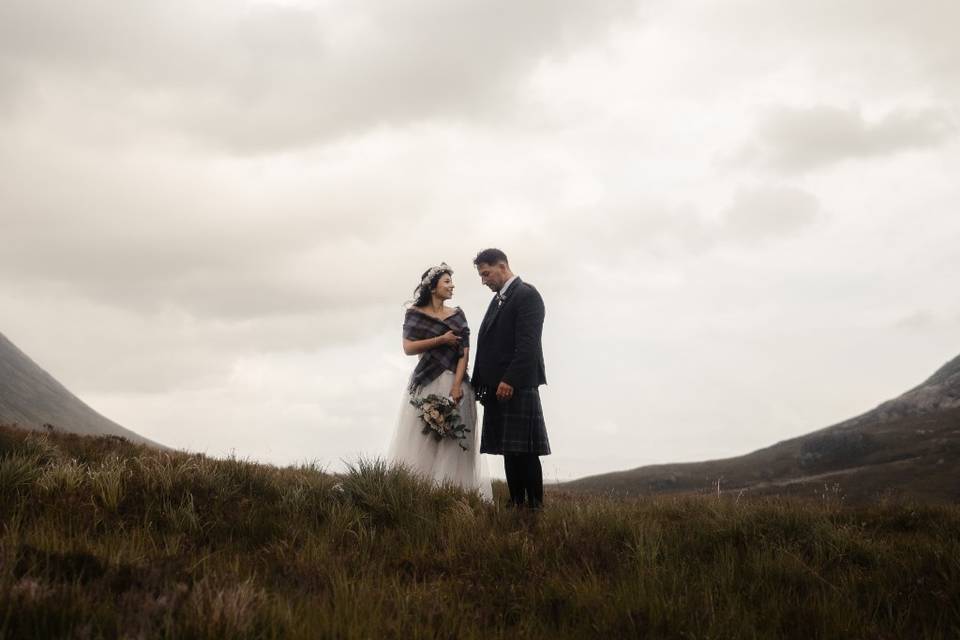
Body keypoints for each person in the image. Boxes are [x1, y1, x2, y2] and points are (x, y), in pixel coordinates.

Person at [387, 262, 492, 501]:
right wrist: (441, 340)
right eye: (447, 281)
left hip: (457, 385)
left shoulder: (458, 315)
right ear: (433, 288)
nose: (452, 286)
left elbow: (465, 351)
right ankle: (417, 496)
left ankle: (455, 497)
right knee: (423, 440)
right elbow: (408, 348)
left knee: (455, 443)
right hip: (427, 382)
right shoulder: (415, 314)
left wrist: (457, 386)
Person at [472, 249, 550, 509]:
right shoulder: (499, 300)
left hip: (516, 386)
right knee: (510, 450)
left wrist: (510, 380)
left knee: (525, 451)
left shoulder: (527, 295)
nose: (484, 280)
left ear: (502, 266)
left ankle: (535, 505)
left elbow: (528, 345)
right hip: (499, 387)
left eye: (486, 274)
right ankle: (517, 501)